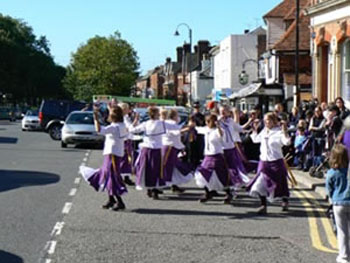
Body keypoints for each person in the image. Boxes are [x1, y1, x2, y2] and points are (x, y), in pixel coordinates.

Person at [79, 105, 128, 211]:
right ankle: (111, 199)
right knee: (107, 175)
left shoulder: (114, 127)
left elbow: (99, 130)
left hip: (112, 154)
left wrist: (95, 118)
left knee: (111, 176)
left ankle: (120, 202)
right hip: (116, 153)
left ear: (113, 116)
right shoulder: (122, 125)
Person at [129, 106, 182, 199]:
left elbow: (132, 130)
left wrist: (135, 120)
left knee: (147, 169)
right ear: (157, 114)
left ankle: (150, 188)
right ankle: (154, 189)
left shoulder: (145, 124)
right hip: (157, 149)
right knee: (156, 170)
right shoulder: (161, 123)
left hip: (146, 149)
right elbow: (175, 127)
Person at [246, 112, 291, 215]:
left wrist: (284, 131)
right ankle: (263, 205)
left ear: (274, 121)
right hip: (264, 161)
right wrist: (255, 129)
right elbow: (255, 140)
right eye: (265, 120)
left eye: (269, 120)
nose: (266, 122)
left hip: (276, 161)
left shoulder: (278, 132)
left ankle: (285, 200)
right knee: (260, 182)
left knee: (280, 183)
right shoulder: (264, 131)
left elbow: (287, 142)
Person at [194, 114, 233, 203]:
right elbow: (197, 129)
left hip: (217, 156)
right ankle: (208, 193)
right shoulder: (206, 129)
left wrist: (218, 126)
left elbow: (221, 134)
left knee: (220, 176)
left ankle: (228, 193)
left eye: (209, 121)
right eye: (206, 121)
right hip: (207, 156)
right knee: (202, 173)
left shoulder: (218, 131)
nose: (207, 123)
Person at [326, 144, 350, 263]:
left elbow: (329, 189)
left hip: (338, 203)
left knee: (342, 231)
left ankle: (344, 256)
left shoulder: (332, 172)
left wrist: (331, 198)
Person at [219, 105, 249, 198]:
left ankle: (232, 189)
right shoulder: (217, 122)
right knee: (222, 170)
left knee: (232, 169)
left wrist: (250, 121)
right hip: (220, 149)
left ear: (229, 113)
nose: (223, 113)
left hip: (230, 148)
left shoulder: (231, 121)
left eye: (225, 111)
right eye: (221, 111)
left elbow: (239, 128)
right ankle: (213, 189)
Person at [162, 109, 193, 192]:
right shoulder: (170, 123)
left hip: (171, 147)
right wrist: (186, 129)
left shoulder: (169, 123)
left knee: (174, 167)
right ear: (174, 116)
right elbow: (174, 133)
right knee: (167, 167)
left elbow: (176, 135)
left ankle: (173, 185)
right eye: (177, 115)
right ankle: (157, 186)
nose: (178, 117)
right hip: (169, 147)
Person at [119, 103, 135, 186]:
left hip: (127, 140)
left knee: (127, 159)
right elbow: (130, 128)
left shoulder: (126, 117)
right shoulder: (122, 118)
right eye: (127, 108)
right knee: (125, 159)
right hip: (124, 141)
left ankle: (126, 177)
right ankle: (122, 177)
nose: (129, 110)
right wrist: (135, 121)